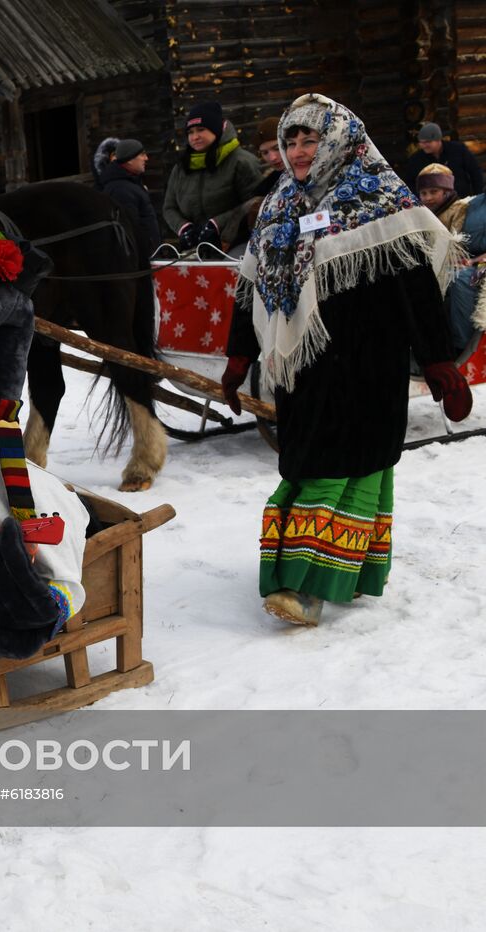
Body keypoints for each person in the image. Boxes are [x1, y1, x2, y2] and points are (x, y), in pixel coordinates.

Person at [221, 94, 472, 627]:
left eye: (309, 138)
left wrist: (438, 362)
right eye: (290, 141)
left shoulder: (380, 197)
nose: (298, 150)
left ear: (338, 138)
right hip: (303, 369)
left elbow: (416, 285)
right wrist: (239, 353)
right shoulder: (278, 204)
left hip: (367, 365)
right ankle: (341, 570)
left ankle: (303, 586)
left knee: (343, 465)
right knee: (309, 460)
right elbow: (250, 286)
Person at [164, 100, 264, 251]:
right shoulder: (181, 168)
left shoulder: (241, 161)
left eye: (201, 129)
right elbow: (169, 207)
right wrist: (184, 228)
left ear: (216, 131)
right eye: (190, 132)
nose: (195, 137)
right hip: (195, 249)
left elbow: (256, 203)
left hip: (237, 246)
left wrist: (217, 224)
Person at [417, 164, 486, 354]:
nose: (428, 197)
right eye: (424, 192)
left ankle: (462, 346)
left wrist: (472, 261)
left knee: (464, 279)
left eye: (434, 191)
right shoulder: (473, 205)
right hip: (471, 260)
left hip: (481, 264)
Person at [94, 137, 160, 258]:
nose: (146, 158)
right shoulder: (121, 190)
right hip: (140, 261)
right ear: (130, 159)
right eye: (142, 154)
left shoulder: (131, 183)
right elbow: (129, 232)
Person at [403, 122, 484, 198]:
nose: (424, 145)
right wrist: (421, 200)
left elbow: (475, 172)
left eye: (428, 142)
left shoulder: (458, 150)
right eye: (421, 142)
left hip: (461, 199)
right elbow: (410, 183)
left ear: (438, 139)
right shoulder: (416, 159)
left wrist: (478, 196)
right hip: (434, 206)